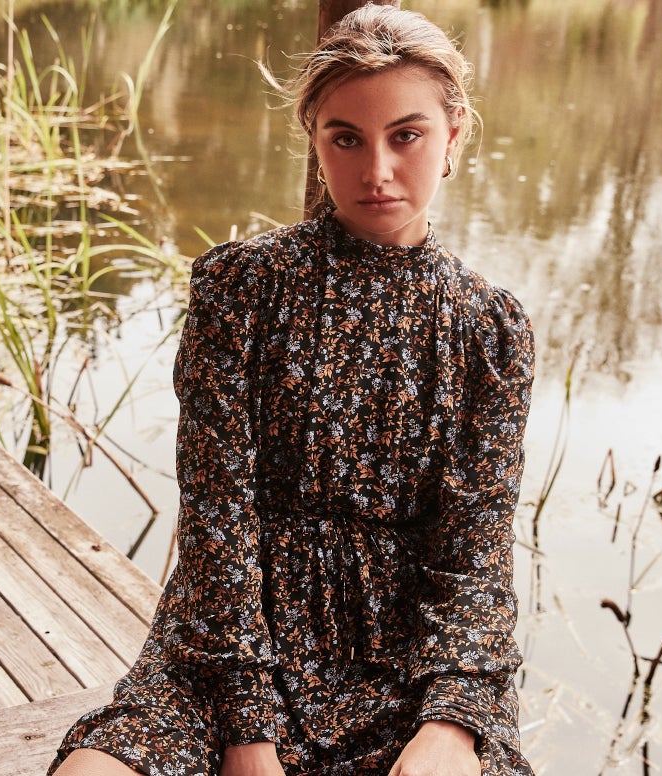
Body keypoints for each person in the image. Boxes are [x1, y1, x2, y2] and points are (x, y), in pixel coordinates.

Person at [51, 6, 533, 775]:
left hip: (407, 660)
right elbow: (217, 517)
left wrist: (451, 723)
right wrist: (248, 730)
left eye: (405, 135)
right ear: (315, 140)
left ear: (454, 137)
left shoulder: (490, 329)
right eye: (347, 138)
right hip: (228, 641)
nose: (376, 170)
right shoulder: (241, 289)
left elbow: (474, 557)